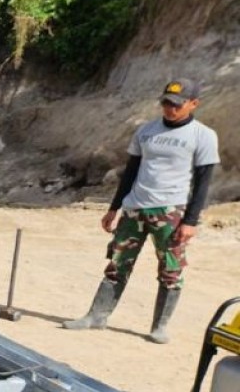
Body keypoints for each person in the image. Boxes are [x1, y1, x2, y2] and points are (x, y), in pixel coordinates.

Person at [64, 78, 220, 344]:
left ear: (193, 104)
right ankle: (96, 316)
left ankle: (159, 326)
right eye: (166, 103)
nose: (170, 109)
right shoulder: (146, 131)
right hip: (135, 208)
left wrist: (191, 220)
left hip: (171, 211)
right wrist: (114, 208)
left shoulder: (202, 136)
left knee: (171, 270)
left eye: (176, 105)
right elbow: (130, 173)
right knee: (117, 263)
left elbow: (203, 181)